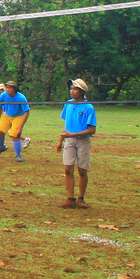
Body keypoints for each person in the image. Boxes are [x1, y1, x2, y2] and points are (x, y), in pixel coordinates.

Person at [55, 79, 97, 208]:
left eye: (75, 89)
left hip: (83, 141)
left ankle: (81, 198)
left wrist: (71, 135)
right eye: (71, 88)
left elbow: (92, 130)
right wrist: (61, 140)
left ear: (82, 91)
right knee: (68, 169)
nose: (71, 91)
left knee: (82, 170)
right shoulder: (68, 104)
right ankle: (70, 198)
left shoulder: (88, 107)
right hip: (69, 140)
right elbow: (66, 125)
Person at [0, 81, 31, 162]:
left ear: (14, 89)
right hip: (7, 115)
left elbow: (26, 112)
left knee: (15, 135)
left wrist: (21, 125)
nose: (7, 89)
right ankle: (1, 147)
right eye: (6, 87)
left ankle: (18, 155)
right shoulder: (3, 95)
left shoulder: (21, 98)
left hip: (18, 116)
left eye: (10, 88)